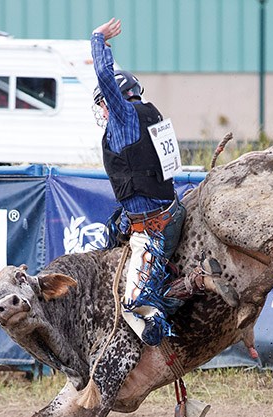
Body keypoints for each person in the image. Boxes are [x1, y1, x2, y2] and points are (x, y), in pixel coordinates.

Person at [91, 18, 238, 347]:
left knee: (133, 303)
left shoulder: (124, 118)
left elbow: (104, 76)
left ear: (114, 99)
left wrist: (98, 40)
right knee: (120, 245)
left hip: (153, 227)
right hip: (170, 211)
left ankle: (178, 305)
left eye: (103, 101)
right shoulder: (151, 114)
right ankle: (186, 287)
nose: (102, 109)